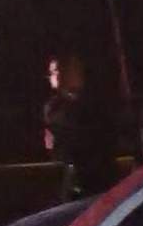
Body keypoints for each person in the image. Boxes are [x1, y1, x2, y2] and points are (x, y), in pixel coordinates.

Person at [43, 55, 117, 201]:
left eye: (57, 71)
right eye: (51, 73)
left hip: (95, 176)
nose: (52, 76)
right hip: (68, 176)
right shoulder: (54, 106)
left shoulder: (94, 103)